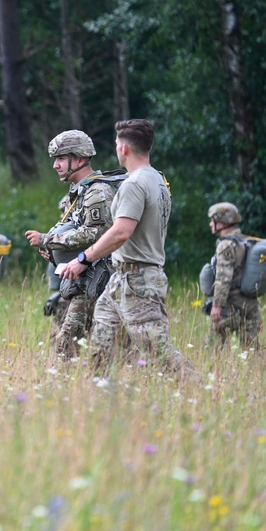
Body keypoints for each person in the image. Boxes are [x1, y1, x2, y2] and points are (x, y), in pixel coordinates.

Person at [60, 119, 194, 378]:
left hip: (138, 279)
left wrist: (83, 259)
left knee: (158, 351)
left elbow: (121, 231)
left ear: (123, 148)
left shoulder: (134, 184)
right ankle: (99, 395)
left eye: (116, 144)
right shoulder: (158, 180)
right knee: (101, 343)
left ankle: (199, 391)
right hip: (121, 279)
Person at [25, 130, 118, 361]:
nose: (55, 165)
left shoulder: (97, 193)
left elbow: (95, 234)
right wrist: (53, 251)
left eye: (60, 158)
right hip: (83, 282)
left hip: (101, 280)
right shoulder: (76, 195)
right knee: (78, 347)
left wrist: (47, 240)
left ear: (79, 159)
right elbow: (71, 231)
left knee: (72, 347)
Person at [204, 201, 261, 350]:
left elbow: (223, 278)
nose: (211, 224)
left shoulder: (226, 245)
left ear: (222, 222)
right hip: (250, 304)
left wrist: (216, 306)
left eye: (213, 220)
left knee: (212, 349)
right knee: (253, 351)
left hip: (230, 306)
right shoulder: (245, 241)